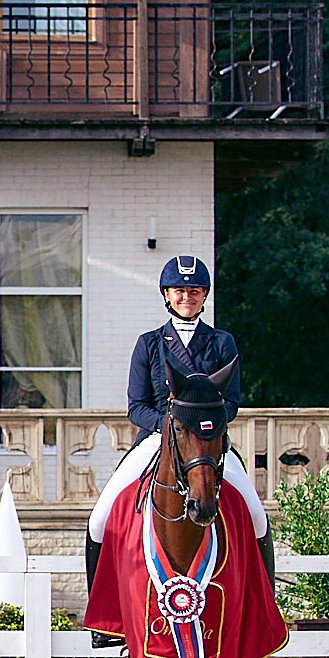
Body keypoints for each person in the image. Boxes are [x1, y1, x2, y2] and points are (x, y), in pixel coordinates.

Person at [84, 255, 268, 638]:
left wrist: (205, 427)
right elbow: (136, 406)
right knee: (99, 518)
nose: (187, 297)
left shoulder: (221, 343)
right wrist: (168, 426)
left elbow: (231, 402)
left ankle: (264, 611)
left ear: (204, 296)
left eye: (195, 291)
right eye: (180, 291)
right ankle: (104, 620)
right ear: (167, 295)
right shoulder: (150, 344)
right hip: (158, 439)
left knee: (256, 514)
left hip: (207, 444)